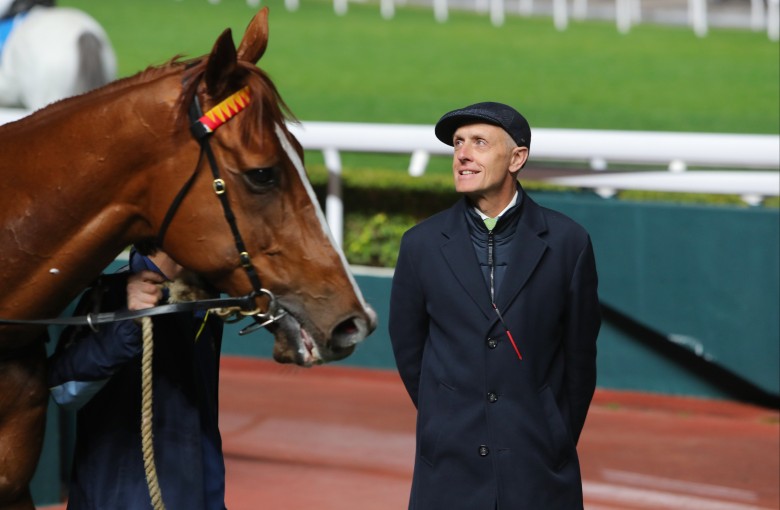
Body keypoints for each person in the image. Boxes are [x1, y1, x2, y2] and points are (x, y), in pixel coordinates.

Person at [389, 102, 601, 509]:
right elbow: (410, 350)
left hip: (539, 465)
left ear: (516, 158)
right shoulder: (420, 244)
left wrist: (551, 431)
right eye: (458, 144)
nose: (463, 155)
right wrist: (445, 418)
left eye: (479, 143)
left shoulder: (569, 242)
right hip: (448, 464)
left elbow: (579, 359)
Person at [48, 242, 227, 510]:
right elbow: (63, 390)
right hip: (120, 499)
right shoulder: (110, 293)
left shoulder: (204, 300)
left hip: (199, 494)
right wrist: (127, 323)